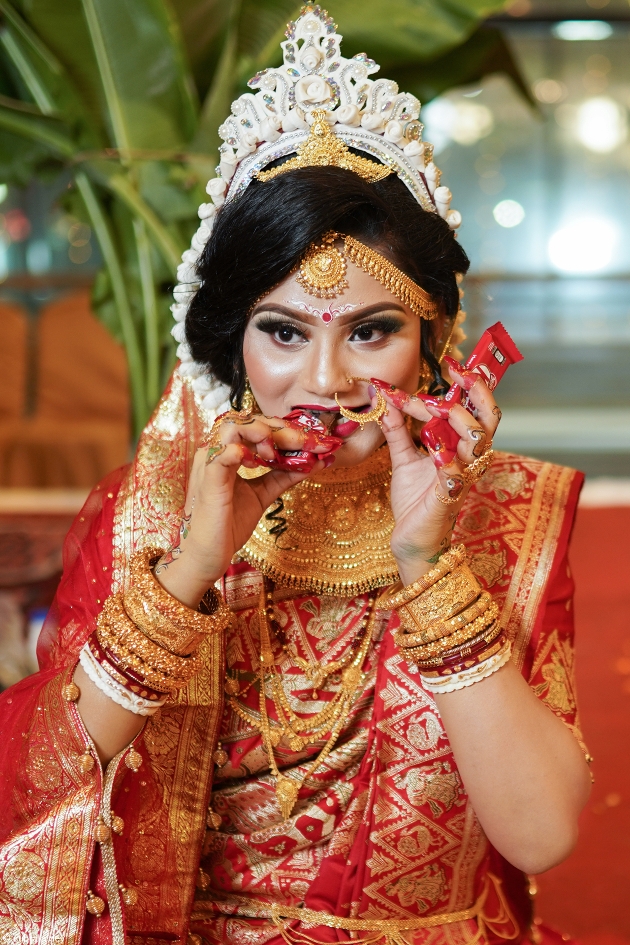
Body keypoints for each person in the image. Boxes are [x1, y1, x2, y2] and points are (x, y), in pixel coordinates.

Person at [0, 6, 591, 944]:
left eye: (370, 330)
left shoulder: (509, 514)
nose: (323, 382)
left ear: (435, 340)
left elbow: (540, 833)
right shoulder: (147, 512)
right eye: (283, 331)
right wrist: (194, 563)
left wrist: (427, 562)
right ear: (234, 344)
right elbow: (36, 792)